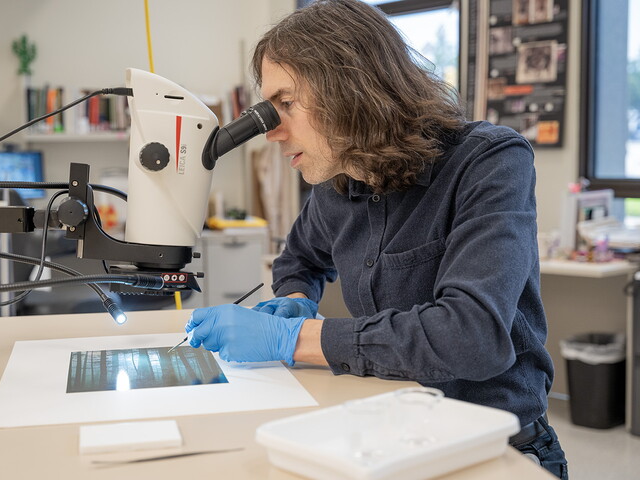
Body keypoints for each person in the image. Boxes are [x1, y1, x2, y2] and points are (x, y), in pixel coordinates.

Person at [184, 0, 568, 477]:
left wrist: (296, 338)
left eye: (286, 103)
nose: (273, 132)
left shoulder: (489, 162)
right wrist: (296, 298)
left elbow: (472, 336)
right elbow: (298, 259)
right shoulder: (338, 182)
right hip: (390, 434)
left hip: (496, 451)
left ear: (352, 87)